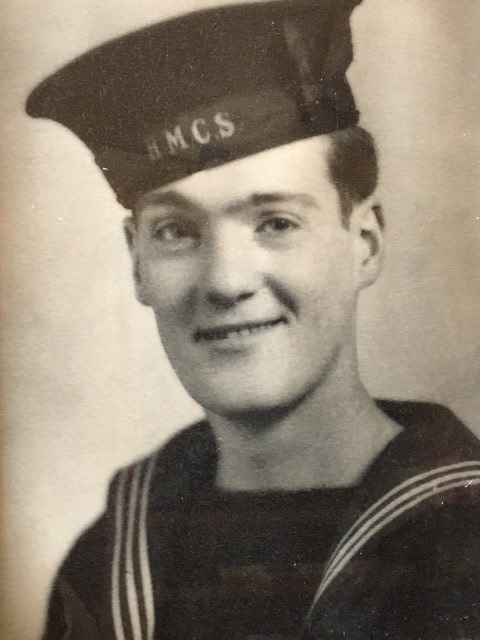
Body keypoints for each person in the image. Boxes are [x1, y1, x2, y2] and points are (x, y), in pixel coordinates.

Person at [26, 1, 480, 638]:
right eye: (176, 231)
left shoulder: (461, 540)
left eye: (276, 223)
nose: (225, 282)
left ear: (366, 242)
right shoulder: (107, 565)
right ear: (137, 263)